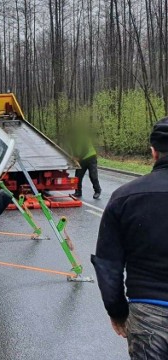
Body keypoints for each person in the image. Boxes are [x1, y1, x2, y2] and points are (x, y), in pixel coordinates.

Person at [92, 117, 168, 359]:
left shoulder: (124, 197)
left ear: (153, 152)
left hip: (148, 314)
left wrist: (117, 311)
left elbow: (108, 264)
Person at [70, 129, 102, 199]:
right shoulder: (72, 141)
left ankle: (97, 191)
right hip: (82, 160)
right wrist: (74, 158)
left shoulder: (83, 138)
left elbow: (85, 150)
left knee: (93, 175)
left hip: (91, 157)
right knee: (78, 176)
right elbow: (74, 151)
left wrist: (79, 158)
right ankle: (78, 192)